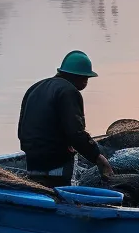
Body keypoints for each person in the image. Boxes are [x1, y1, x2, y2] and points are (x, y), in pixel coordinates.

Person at [18, 51, 114, 187]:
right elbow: (75, 134)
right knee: (60, 192)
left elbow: (21, 129)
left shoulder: (35, 87)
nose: (86, 82)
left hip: (31, 158)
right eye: (86, 78)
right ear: (80, 77)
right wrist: (98, 158)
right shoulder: (69, 91)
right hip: (55, 162)